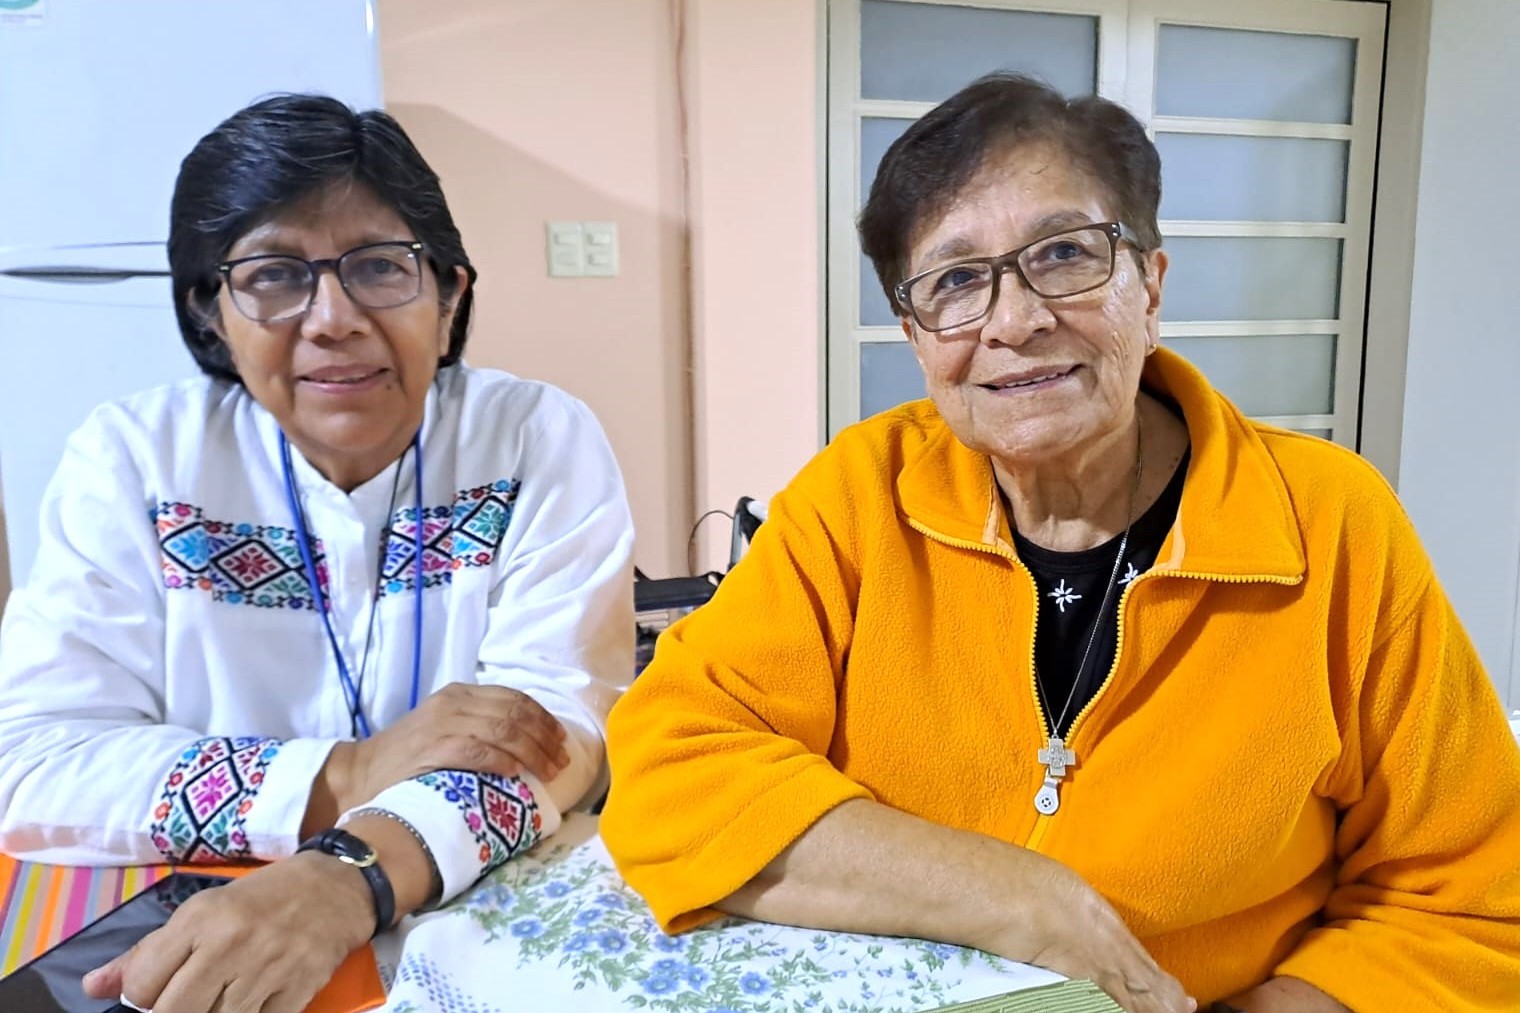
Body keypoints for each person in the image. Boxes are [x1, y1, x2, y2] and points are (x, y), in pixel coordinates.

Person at [600, 74, 1520, 1013]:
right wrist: (1021, 897)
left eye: (1066, 255)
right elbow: (671, 764)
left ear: (1151, 286)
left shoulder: (1331, 521)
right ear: (917, 337)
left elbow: (1472, 896)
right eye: (956, 281)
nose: (1015, 320)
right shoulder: (858, 495)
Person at [0, 94, 634, 1013]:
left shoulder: (534, 438)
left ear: (452, 296)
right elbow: (34, 762)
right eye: (273, 275)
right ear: (211, 310)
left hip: (475, 924)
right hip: (192, 925)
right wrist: (347, 773)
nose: (332, 317)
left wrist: (346, 876)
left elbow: (555, 736)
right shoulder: (137, 458)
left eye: (381, 266)